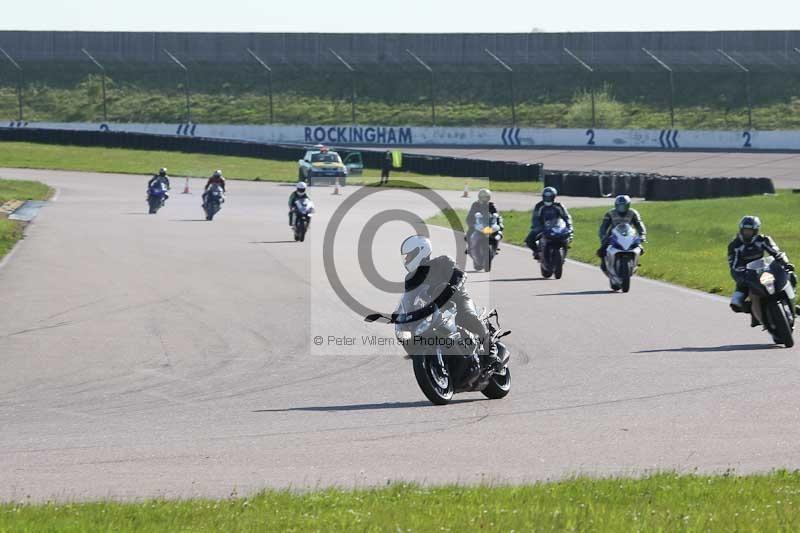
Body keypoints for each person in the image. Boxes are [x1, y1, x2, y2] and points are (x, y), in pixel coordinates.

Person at [400, 235, 502, 369]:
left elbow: (459, 274)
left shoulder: (443, 261)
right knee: (412, 332)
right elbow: (408, 298)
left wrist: (452, 285)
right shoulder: (410, 279)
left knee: (468, 316)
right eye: (405, 257)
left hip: (457, 299)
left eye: (409, 256)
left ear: (421, 251)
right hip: (434, 309)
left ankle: (491, 349)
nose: (406, 260)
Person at [727, 215, 797, 324]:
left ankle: (793, 302)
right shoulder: (735, 245)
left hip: (764, 269)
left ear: (756, 230)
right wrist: (740, 276)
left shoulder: (763, 239)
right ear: (741, 229)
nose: (747, 233)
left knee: (790, 275)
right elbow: (734, 264)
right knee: (740, 301)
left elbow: (776, 252)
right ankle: (761, 320)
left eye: (750, 231)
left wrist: (785, 263)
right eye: (745, 230)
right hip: (746, 274)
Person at [596, 195, 647, 269]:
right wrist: (603, 236)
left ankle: (635, 262)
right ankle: (604, 263)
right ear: (616, 205)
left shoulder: (633, 213)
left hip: (629, 234)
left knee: (640, 248)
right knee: (602, 250)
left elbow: (639, 224)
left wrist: (642, 234)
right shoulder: (610, 213)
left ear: (628, 205)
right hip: (613, 234)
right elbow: (603, 227)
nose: (622, 208)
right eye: (620, 206)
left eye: (624, 206)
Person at [525, 187, 572, 260]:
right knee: (529, 240)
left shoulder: (558, 205)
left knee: (568, 236)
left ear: (554, 196)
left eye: (550, 196)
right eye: (546, 196)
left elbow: (566, 216)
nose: (548, 198)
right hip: (542, 227)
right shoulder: (539, 206)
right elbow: (535, 218)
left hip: (556, 227)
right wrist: (537, 226)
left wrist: (569, 226)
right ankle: (537, 251)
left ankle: (564, 252)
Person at [465, 188, 503, 254]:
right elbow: (470, 215)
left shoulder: (492, 205)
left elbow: (497, 216)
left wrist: (499, 224)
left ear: (489, 197)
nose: (484, 199)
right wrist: (471, 223)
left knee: (498, 233)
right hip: (478, 224)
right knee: (469, 233)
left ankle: (495, 247)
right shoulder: (475, 205)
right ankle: (470, 247)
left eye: (486, 197)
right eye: (482, 197)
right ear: (479, 197)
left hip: (489, 225)